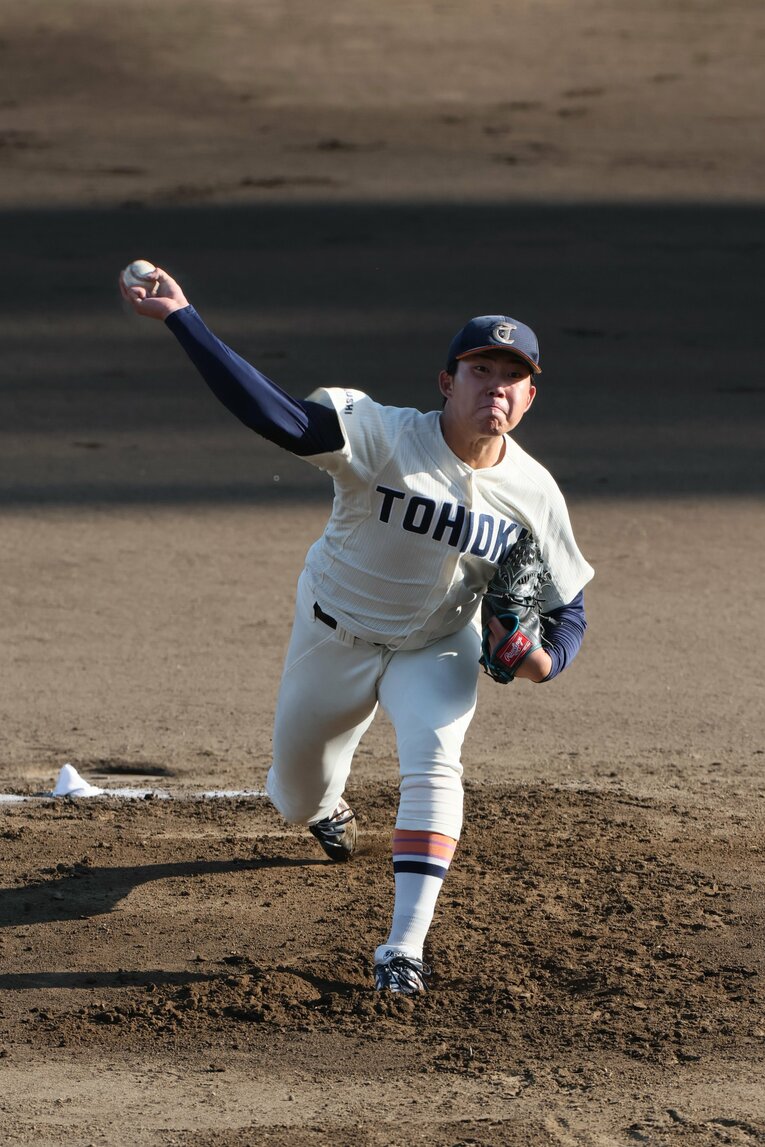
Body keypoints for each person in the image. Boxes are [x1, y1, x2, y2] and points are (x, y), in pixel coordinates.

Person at [120, 265, 594, 996]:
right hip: (331, 634)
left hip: (437, 647)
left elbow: (569, 609)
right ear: (446, 382)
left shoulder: (535, 493)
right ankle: (325, 809)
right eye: (480, 371)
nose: (495, 387)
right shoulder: (381, 436)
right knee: (294, 795)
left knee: (435, 764)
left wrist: (544, 658)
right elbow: (274, 415)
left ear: (530, 396)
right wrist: (184, 318)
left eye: (512, 377)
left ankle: (402, 948)